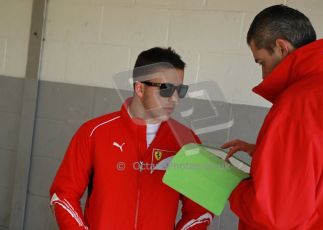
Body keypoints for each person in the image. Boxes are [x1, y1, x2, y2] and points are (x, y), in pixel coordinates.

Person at [50, 47, 213, 229]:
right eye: (166, 89)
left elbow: (201, 209)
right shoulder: (94, 133)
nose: (175, 98)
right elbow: (63, 195)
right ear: (140, 88)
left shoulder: (187, 141)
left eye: (180, 90)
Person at [222, 4, 323, 229]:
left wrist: (229, 184)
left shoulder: (299, 102)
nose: (263, 74)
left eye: (261, 62)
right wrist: (266, 154)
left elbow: (276, 215)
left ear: (281, 47)